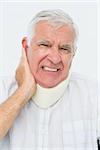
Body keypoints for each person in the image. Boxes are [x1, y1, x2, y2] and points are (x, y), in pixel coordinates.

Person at [0, 9, 99, 150]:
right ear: (26, 47)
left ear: (73, 54)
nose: (54, 58)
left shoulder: (93, 95)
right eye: (45, 45)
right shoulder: (3, 89)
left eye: (64, 48)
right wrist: (23, 92)